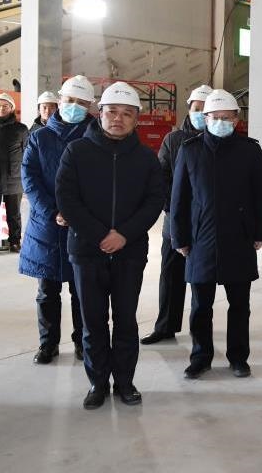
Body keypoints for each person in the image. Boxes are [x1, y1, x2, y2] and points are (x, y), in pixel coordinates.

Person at [56, 81, 165, 409]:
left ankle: (125, 383)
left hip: (130, 252)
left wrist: (124, 235)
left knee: (126, 321)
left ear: (136, 119)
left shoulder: (146, 158)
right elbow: (67, 198)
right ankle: (98, 383)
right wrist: (100, 235)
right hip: (86, 251)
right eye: (112, 111)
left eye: (127, 113)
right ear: (99, 113)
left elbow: (154, 201)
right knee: (92, 322)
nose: (118, 118)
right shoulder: (77, 151)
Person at [170, 89, 262, 379]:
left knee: (239, 305)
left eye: (227, 117)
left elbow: (260, 195)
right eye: (215, 117)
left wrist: (260, 232)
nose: (221, 122)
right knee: (200, 306)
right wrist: (179, 238)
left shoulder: (250, 150)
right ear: (205, 118)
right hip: (200, 240)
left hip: (239, 238)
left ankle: (238, 357)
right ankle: (200, 358)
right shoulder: (190, 150)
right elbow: (179, 199)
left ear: (236, 119)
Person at [20, 75, 97, 364]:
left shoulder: (96, 137)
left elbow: (101, 182)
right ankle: (48, 344)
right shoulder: (40, 137)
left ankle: (82, 342)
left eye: (81, 102)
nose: (74, 106)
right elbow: (30, 179)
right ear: (59, 100)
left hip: (83, 227)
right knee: (47, 290)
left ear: (90, 105)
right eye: (69, 100)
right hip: (46, 227)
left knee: (82, 291)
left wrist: (77, 214)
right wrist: (53, 212)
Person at [141, 84, 213, 345]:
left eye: (205, 109)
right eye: (196, 108)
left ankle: (200, 332)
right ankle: (165, 327)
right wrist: (173, 208)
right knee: (171, 274)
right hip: (176, 218)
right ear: (189, 109)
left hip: (206, 222)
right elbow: (161, 178)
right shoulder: (173, 140)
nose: (200, 113)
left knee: (202, 278)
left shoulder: (218, 142)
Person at [0, 92, 28, 255]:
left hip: (14, 178)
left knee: (14, 213)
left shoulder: (21, 129)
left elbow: (26, 153)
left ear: (11, 109)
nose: (2, 108)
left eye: (6, 106)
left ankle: (15, 242)